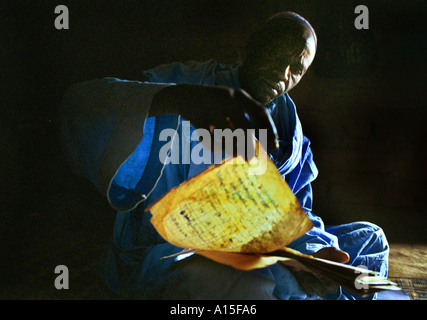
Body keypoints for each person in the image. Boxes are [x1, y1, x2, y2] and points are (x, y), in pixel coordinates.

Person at [60, 12, 389, 299]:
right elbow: (80, 108)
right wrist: (180, 101)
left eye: (296, 69)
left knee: (369, 240)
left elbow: (293, 215)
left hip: (257, 252)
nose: (283, 72)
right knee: (232, 284)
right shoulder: (189, 82)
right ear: (251, 46)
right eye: (277, 54)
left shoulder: (289, 133)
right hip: (172, 250)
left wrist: (313, 255)